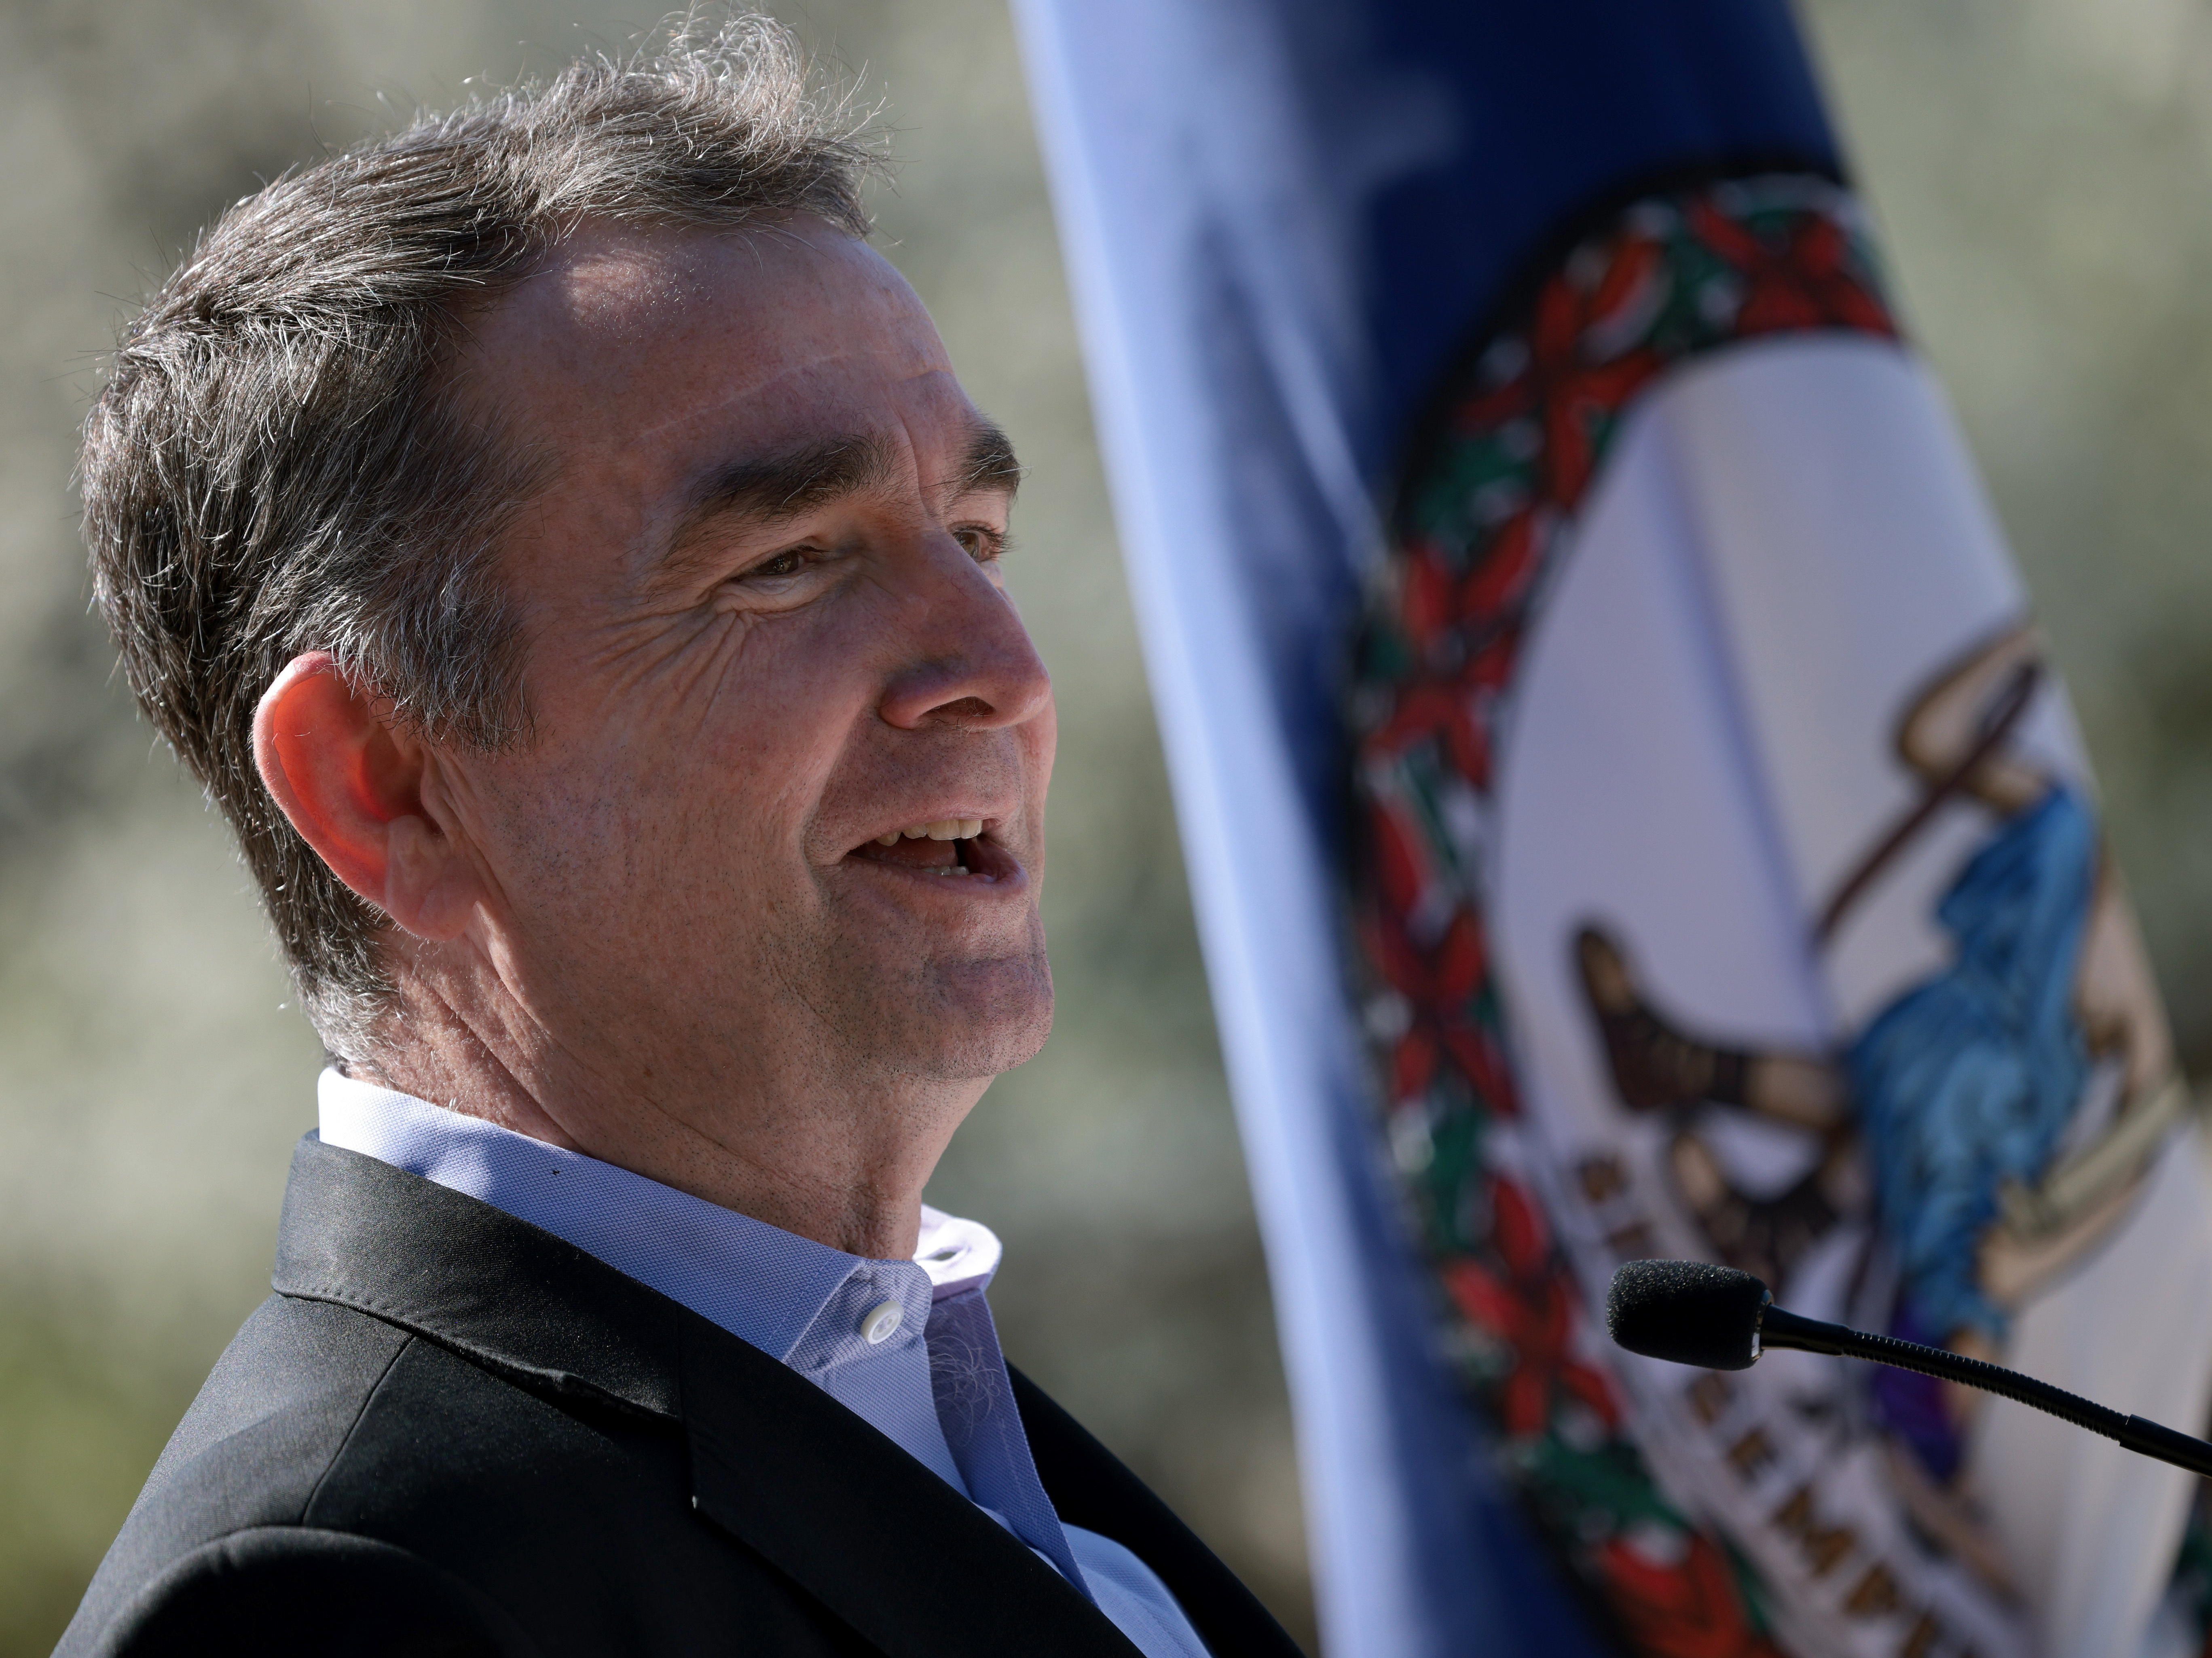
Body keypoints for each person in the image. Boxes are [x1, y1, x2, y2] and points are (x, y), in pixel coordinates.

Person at [55, 19, 1300, 1658]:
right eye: (788, 558)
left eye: (976, 533)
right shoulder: (330, 1594)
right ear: (383, 781)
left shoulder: (962, 1444)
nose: (1001, 669)